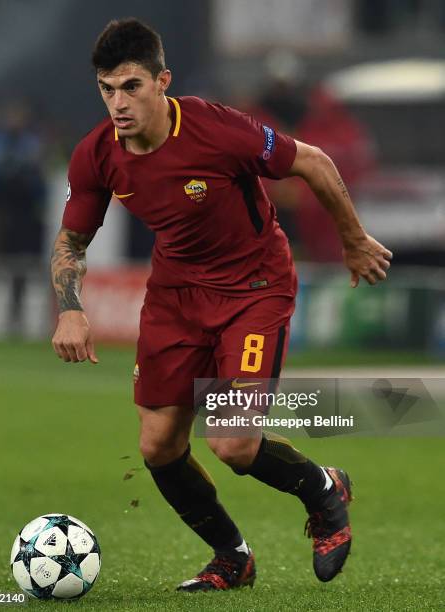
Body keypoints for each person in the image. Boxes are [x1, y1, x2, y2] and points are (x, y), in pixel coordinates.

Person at [50, 18, 392, 592]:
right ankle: (232, 557)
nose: (118, 102)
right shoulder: (97, 154)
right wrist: (69, 306)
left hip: (253, 290)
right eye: (107, 89)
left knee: (232, 443)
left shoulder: (217, 129)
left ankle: (324, 491)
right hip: (175, 298)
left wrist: (353, 240)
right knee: (158, 445)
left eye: (131, 86)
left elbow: (313, 162)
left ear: (164, 82)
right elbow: (72, 240)